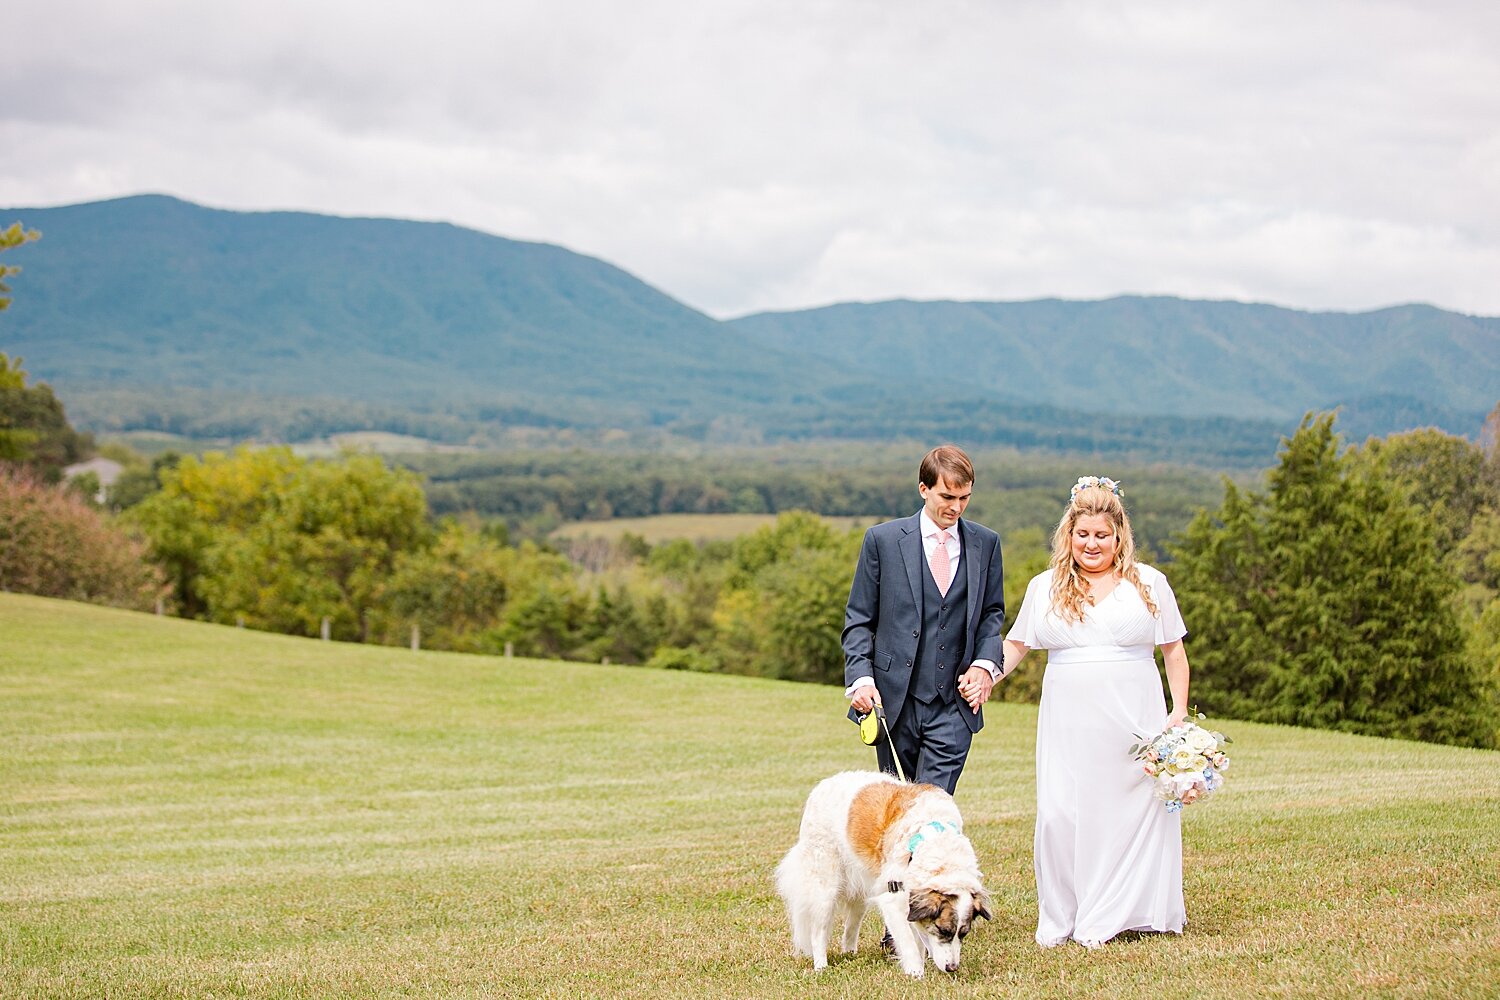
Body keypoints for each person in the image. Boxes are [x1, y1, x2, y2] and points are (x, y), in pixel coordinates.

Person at [996, 476, 1192, 949]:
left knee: (1128, 812)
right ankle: (1067, 913)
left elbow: (1174, 652)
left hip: (1135, 721)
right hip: (1067, 723)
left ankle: (1126, 911)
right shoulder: (1045, 587)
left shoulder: (1150, 584)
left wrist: (1178, 713)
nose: (1091, 543)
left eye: (1101, 535)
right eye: (1082, 534)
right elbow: (1017, 645)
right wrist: (983, 677)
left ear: (1118, 535)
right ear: (1069, 535)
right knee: (1061, 814)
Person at [842, 444, 1005, 795]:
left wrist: (985, 663)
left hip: (954, 706)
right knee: (898, 807)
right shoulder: (882, 541)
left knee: (933, 803)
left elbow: (993, 613)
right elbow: (859, 619)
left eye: (965, 498)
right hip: (893, 702)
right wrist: (860, 680)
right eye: (948, 496)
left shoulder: (986, 543)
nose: (956, 507)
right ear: (924, 489)